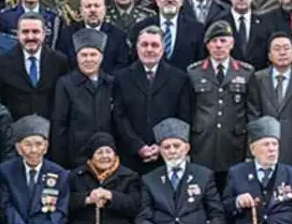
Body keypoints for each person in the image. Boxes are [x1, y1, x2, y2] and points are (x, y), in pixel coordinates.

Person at [112, 25, 193, 174]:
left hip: (166, 156)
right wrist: (138, 146)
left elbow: (183, 117)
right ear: (137, 48)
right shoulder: (121, 78)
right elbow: (119, 116)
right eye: (144, 45)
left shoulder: (179, 78)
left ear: (162, 48)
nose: (149, 49)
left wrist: (160, 145)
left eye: (154, 45)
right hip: (130, 157)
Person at [187, 20, 254, 192]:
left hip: (233, 144)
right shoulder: (193, 72)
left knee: (232, 192)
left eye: (223, 41)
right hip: (202, 144)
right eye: (214, 41)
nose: (218, 45)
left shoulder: (246, 72)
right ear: (207, 45)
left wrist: (249, 150)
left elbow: (251, 112)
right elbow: (188, 111)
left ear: (231, 44)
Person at [52, 29, 117, 168]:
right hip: (77, 157)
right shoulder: (65, 84)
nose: (88, 59)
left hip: (108, 157)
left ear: (101, 57)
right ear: (77, 57)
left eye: (93, 55)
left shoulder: (111, 83)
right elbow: (59, 125)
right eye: (84, 55)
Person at [0, 12, 73, 121]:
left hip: (50, 130)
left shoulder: (59, 61)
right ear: (18, 34)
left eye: (35, 32)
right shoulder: (1, 63)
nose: (30, 37)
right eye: (25, 32)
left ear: (44, 34)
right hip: (14, 130)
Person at [246, 33, 292, 167]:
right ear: (269, 55)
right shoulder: (258, 78)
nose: (282, 53)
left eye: (286, 48)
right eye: (277, 49)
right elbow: (253, 116)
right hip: (264, 148)